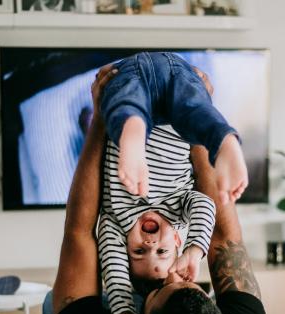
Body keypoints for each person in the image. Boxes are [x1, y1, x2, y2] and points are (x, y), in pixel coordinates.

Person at [52, 64, 268, 314]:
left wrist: (100, 118)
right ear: (213, 307)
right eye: (190, 283)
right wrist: (195, 119)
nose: (168, 274)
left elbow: (80, 232)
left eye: (161, 290)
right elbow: (222, 232)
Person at [99, 118, 216, 314]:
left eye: (139, 250)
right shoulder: (178, 210)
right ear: (175, 239)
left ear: (124, 245)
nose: (150, 244)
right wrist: (194, 251)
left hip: (127, 114)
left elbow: (115, 271)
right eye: (162, 251)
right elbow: (206, 205)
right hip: (172, 117)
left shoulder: (117, 221)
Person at [99, 51, 248, 205]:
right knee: (195, 108)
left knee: (127, 101)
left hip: (133, 69)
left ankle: (132, 122)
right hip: (175, 67)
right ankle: (222, 138)